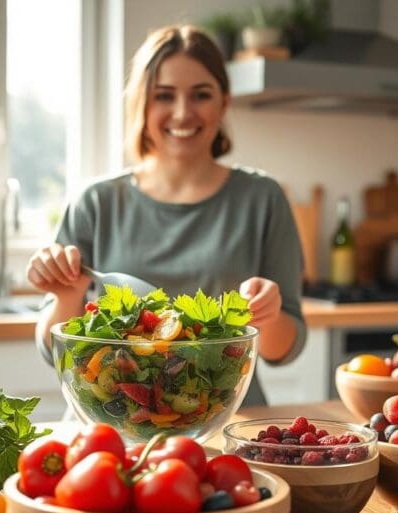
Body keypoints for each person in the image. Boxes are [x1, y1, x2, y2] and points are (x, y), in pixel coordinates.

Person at [26, 24, 306, 407]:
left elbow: (285, 350)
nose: (182, 112)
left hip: (227, 417)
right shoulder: (95, 202)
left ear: (224, 103)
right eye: (164, 96)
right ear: (141, 104)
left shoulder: (263, 198)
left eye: (201, 95)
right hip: (117, 421)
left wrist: (268, 317)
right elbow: (52, 350)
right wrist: (66, 296)